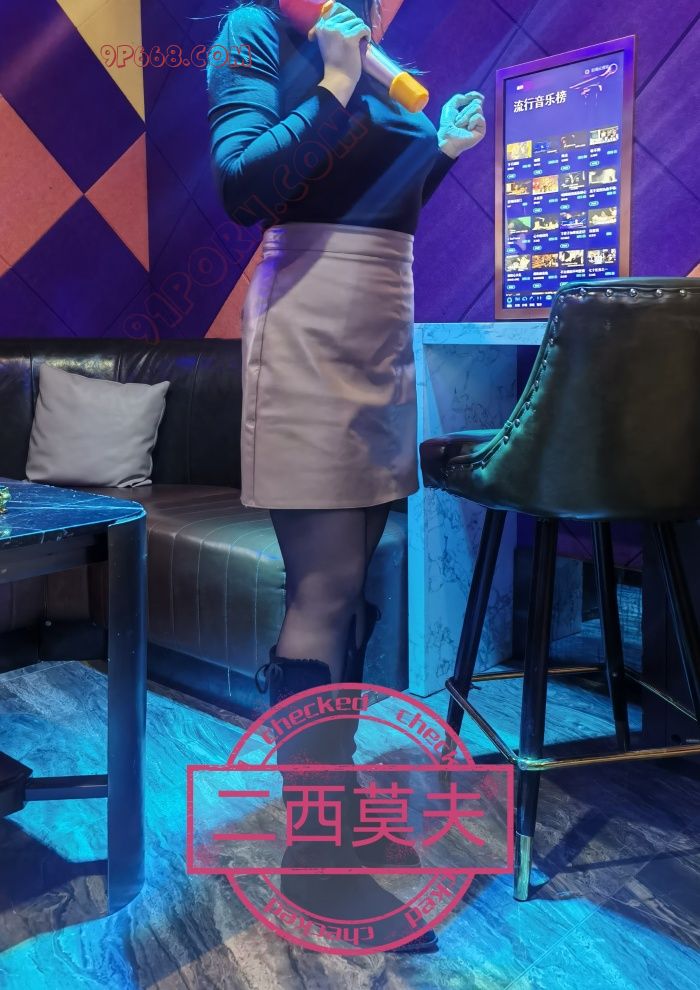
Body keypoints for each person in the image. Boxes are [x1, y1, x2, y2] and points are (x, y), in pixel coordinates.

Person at [207, 0, 485, 952]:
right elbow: (244, 186)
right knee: (323, 590)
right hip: (311, 317)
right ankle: (316, 858)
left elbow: (372, 192)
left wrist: (441, 154)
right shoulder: (257, 30)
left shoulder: (370, 43)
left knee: (354, 586)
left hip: (381, 314)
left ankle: (337, 799)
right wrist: (329, 81)